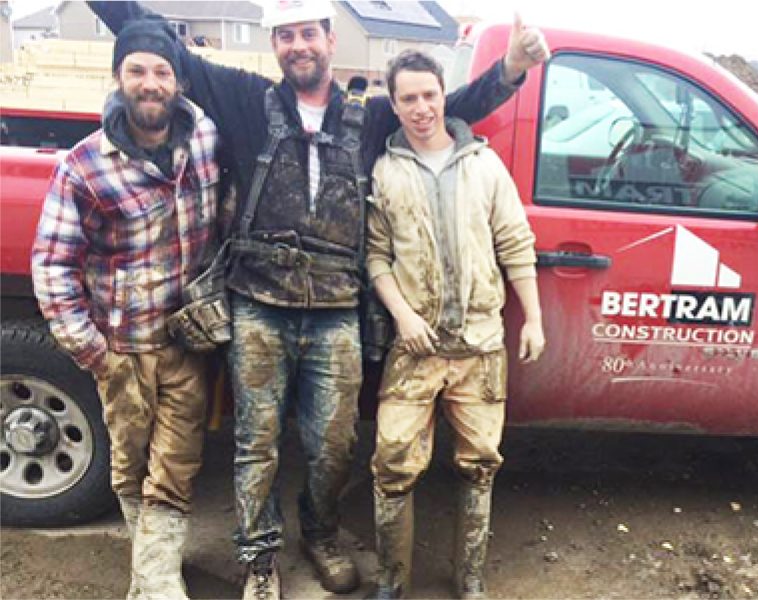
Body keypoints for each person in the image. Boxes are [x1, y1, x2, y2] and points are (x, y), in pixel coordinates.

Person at [87, 2, 548, 598]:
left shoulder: (373, 117)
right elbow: (160, 48)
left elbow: (445, 108)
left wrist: (509, 70)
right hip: (258, 304)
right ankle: (258, 560)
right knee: (257, 443)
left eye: (308, 33)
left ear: (330, 41)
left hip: (335, 310)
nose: (298, 45)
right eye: (285, 36)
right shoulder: (244, 99)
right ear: (274, 45)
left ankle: (321, 533)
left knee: (334, 444)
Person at [31, 18, 220, 600]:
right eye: (137, 70)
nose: (150, 83)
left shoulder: (206, 139)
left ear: (178, 82)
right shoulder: (85, 166)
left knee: (178, 465)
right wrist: (92, 350)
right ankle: (153, 573)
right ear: (118, 77)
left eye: (162, 72)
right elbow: (52, 264)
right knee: (131, 464)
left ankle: (158, 584)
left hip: (187, 341)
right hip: (122, 348)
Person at [366, 50, 546, 599]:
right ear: (394, 105)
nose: (421, 108)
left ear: (444, 95)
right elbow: (375, 256)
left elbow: (515, 242)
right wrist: (403, 314)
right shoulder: (385, 169)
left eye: (429, 95)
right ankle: (392, 583)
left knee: (479, 465)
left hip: (480, 347)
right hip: (415, 349)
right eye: (408, 98)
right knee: (392, 463)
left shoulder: (484, 165)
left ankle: (470, 580)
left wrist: (533, 318)